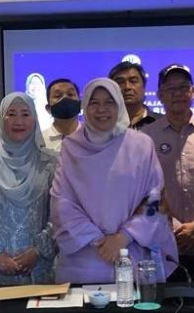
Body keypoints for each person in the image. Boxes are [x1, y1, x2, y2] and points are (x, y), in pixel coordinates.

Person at [50, 78, 177, 284]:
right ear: (85, 106)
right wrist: (99, 241)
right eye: (94, 103)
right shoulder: (71, 146)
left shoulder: (141, 145)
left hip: (133, 254)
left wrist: (123, 237)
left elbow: (155, 196)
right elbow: (61, 202)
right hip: (83, 259)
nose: (102, 109)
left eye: (109, 102)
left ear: (119, 105)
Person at [142, 64, 194, 282]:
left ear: (193, 92)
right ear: (160, 95)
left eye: (183, 87)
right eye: (171, 89)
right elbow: (143, 190)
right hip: (162, 243)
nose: (178, 94)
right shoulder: (145, 138)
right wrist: (173, 226)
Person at [0, 93, 58, 285]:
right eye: (11, 114)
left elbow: (59, 214)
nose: (18, 121)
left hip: (39, 268)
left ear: (34, 119)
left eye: (25, 114)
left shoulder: (51, 163)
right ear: (2, 119)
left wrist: (38, 250)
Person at [109, 61, 163, 130]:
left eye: (133, 81)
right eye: (120, 82)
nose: (127, 87)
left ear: (144, 87)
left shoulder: (163, 123)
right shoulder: (102, 125)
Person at [42, 78, 81, 152]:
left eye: (70, 94)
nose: (65, 98)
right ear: (48, 108)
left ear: (80, 104)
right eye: (57, 96)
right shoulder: (39, 141)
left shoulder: (93, 137)